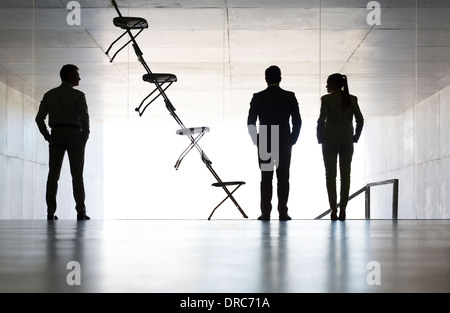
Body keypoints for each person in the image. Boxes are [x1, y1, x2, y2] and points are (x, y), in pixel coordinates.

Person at [36, 64, 90, 220]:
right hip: (75, 135)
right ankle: (81, 211)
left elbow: (39, 119)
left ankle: (50, 212)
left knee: (53, 175)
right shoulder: (79, 96)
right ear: (69, 75)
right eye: (76, 75)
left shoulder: (49, 95)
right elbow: (84, 118)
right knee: (77, 176)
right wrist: (85, 136)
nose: (79, 78)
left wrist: (48, 136)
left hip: (57, 135)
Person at [247, 65, 302, 221]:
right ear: (280, 78)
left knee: (266, 178)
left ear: (266, 79)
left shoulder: (258, 97)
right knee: (283, 177)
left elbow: (251, 122)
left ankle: (265, 212)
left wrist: (256, 140)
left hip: (265, 138)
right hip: (284, 139)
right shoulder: (289, 96)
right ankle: (283, 212)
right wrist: (293, 139)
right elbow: (297, 121)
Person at [316, 73, 364, 221]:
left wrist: (319, 137)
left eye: (328, 83)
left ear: (335, 84)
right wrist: (356, 136)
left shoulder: (326, 99)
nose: (326, 86)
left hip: (329, 140)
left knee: (330, 176)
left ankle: (333, 209)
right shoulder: (352, 99)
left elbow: (321, 120)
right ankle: (343, 209)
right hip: (347, 140)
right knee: (345, 176)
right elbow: (360, 120)